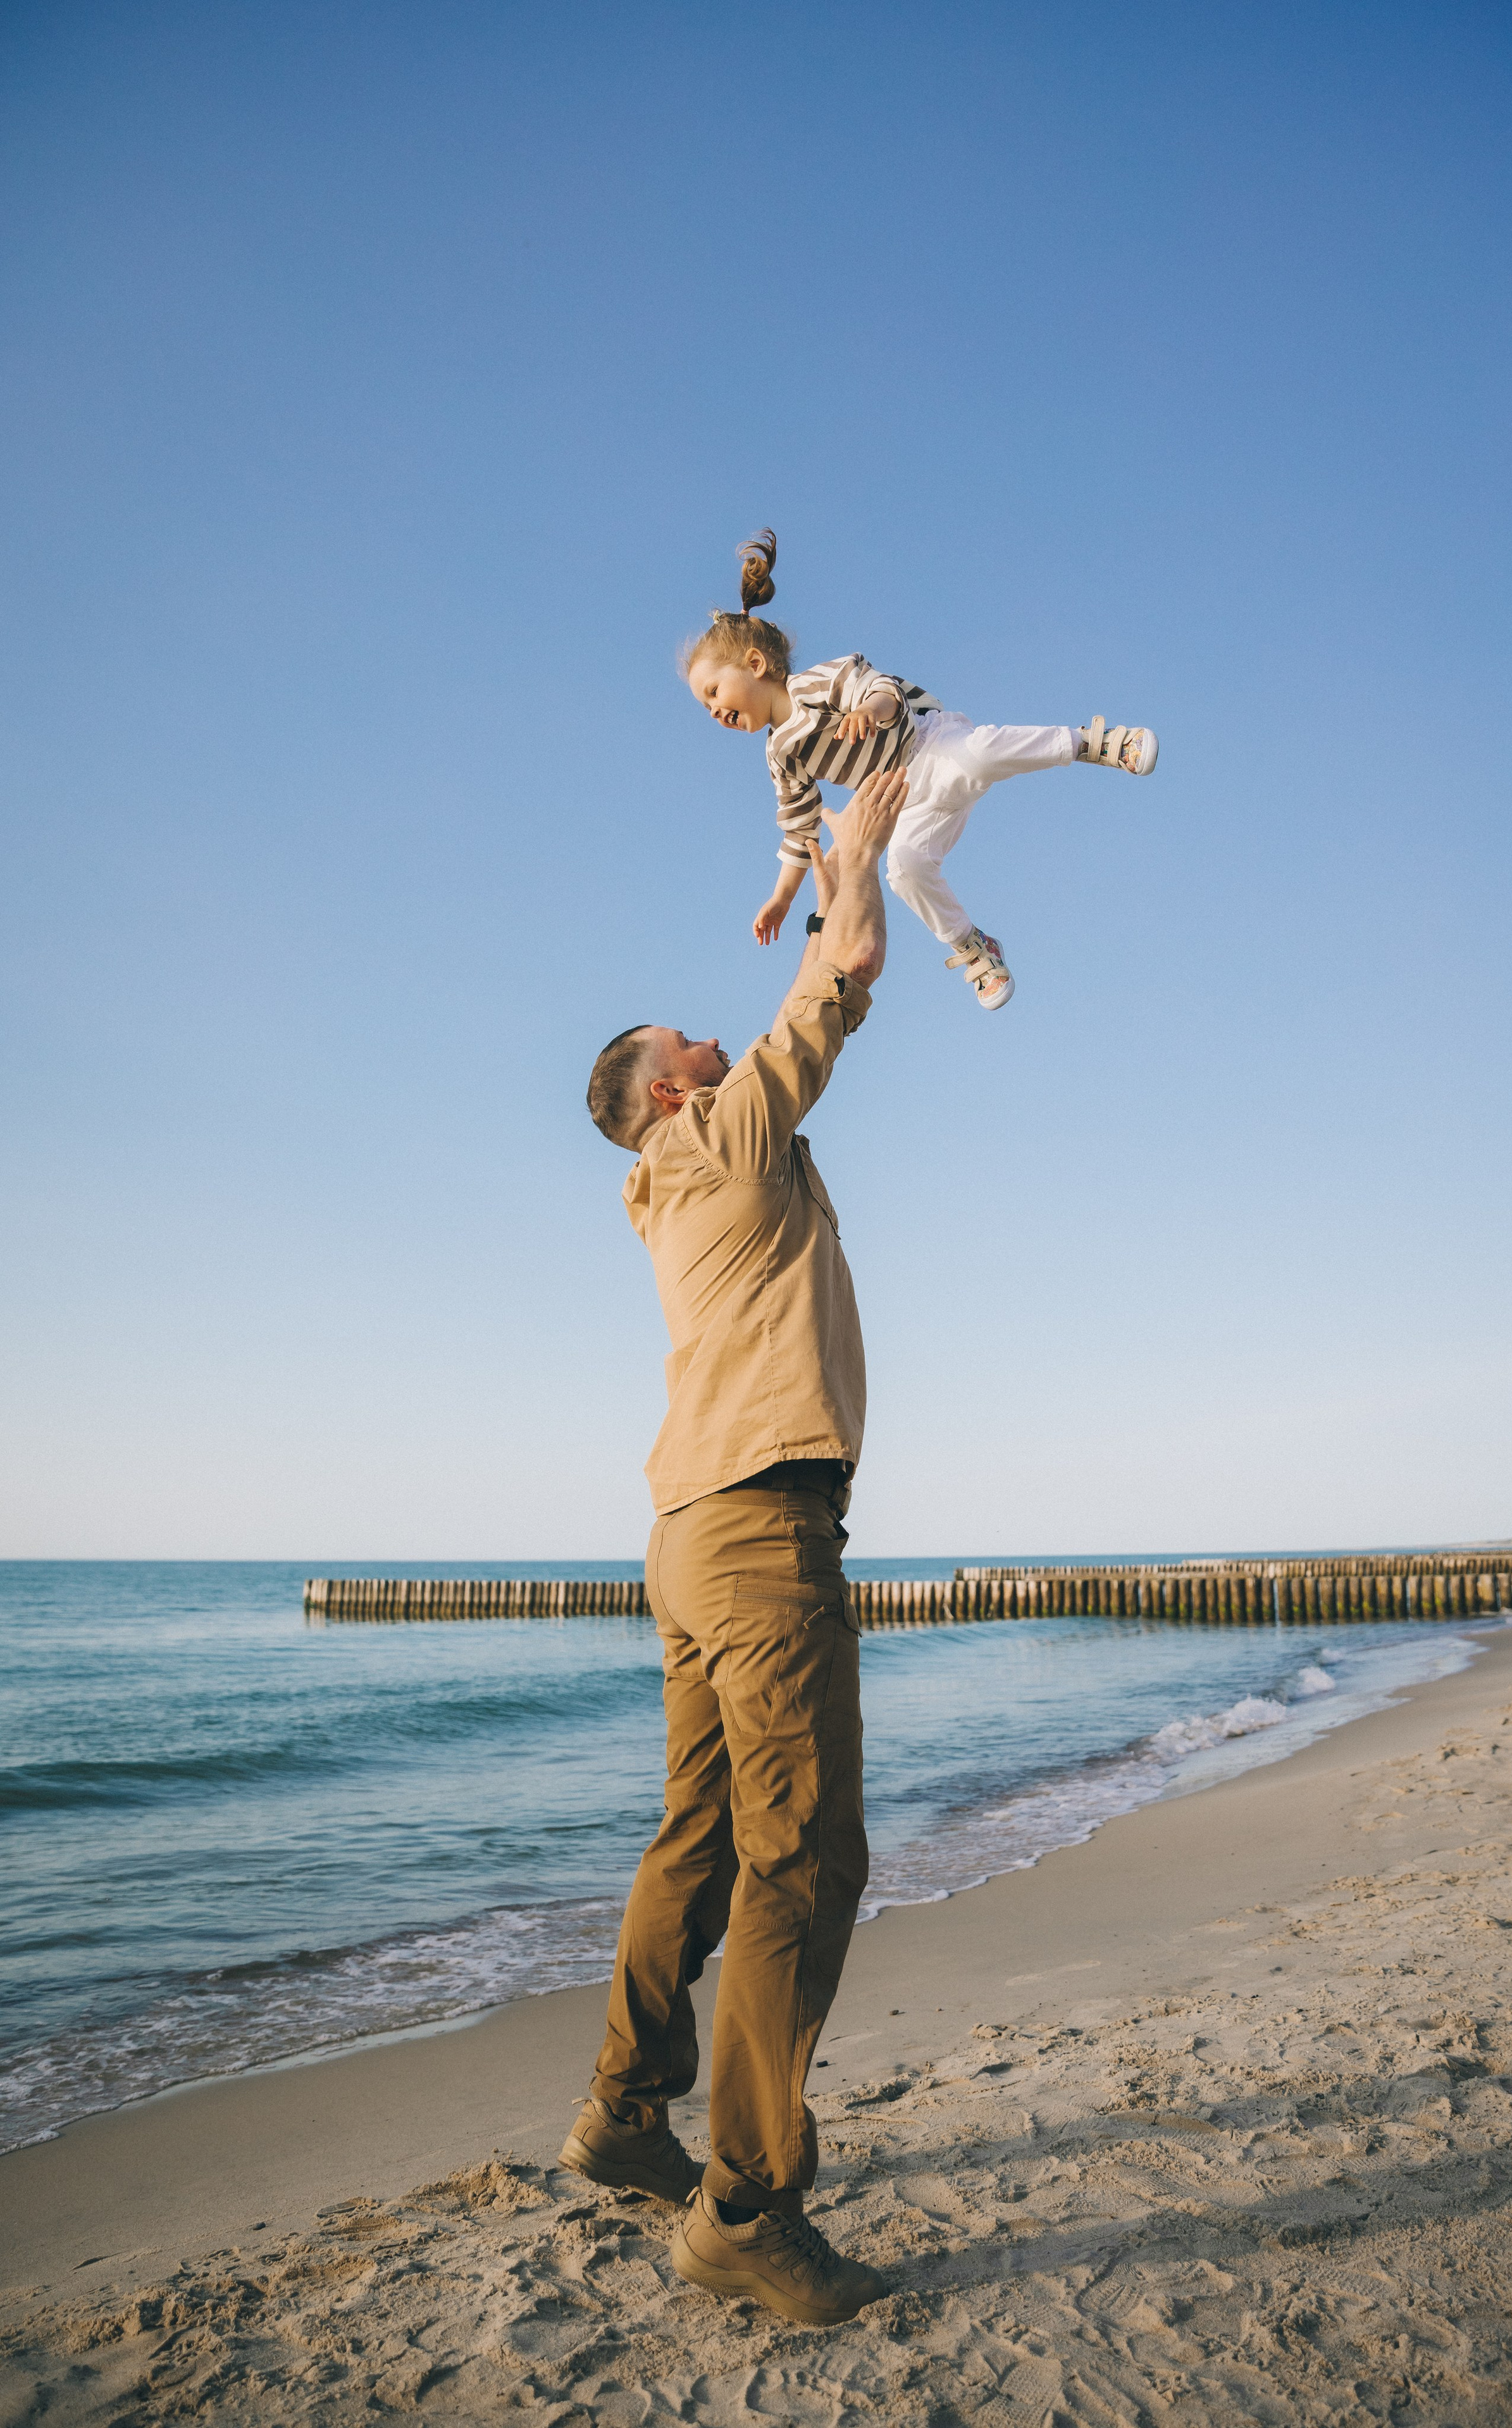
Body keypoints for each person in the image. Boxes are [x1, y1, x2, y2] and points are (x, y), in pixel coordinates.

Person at [564, 765, 909, 2329]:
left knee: (696, 1838)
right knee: (803, 1858)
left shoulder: (670, 1190)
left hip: (684, 1536)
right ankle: (748, 2207)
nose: (713, 1037)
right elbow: (830, 985)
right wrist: (859, 842)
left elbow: (820, 989)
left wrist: (840, 878)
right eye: (688, 1042)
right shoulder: (728, 1143)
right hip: (763, 1531)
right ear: (664, 1091)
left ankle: (625, 2112)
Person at [682, 528, 1158, 1010]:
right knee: (904, 869)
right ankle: (972, 946)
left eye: (714, 693)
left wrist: (871, 710)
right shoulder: (780, 755)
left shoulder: (815, 684)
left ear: (756, 664)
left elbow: (880, 688)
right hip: (902, 797)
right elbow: (799, 828)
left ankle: (1092, 743)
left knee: (978, 755)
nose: (713, 712)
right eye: (705, 707)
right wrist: (782, 899)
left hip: (927, 745)